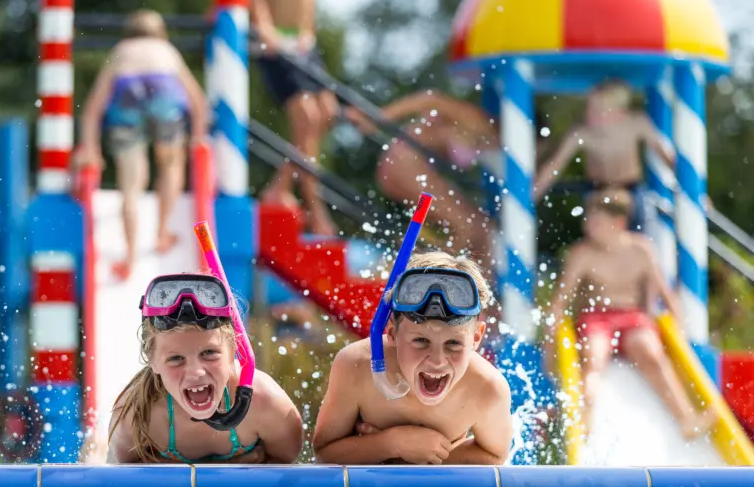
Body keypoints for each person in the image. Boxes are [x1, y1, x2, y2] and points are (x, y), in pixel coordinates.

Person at [543, 188, 715, 440]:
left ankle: (686, 419)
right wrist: (550, 335)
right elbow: (561, 300)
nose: (588, 226)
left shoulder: (641, 249)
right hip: (596, 318)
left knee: (651, 353)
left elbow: (666, 294)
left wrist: (679, 335)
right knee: (593, 358)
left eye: (597, 222)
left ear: (619, 223)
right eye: (588, 219)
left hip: (632, 318)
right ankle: (584, 421)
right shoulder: (583, 254)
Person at [312, 251, 513, 465]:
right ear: (392, 333)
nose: (437, 361)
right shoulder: (357, 366)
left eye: (453, 343)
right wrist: (392, 444)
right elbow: (324, 453)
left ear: (476, 337)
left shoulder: (487, 389)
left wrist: (417, 459)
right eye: (421, 341)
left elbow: (495, 456)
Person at [106, 273, 304, 463]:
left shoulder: (266, 404)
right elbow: (115, 481)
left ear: (234, 349)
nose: (196, 372)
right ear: (152, 361)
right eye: (176, 358)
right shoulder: (136, 417)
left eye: (209, 353)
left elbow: (290, 477)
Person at [75, 10, 210, 280]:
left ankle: (130, 256)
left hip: (127, 98)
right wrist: (198, 136)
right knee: (171, 167)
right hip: (164, 95)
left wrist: (90, 147)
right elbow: (198, 102)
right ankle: (162, 232)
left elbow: (92, 109)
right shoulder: (166, 50)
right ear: (160, 32)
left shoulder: (121, 51)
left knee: (131, 183)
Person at [346, 90, 552, 265]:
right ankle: (422, 272)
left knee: (483, 230)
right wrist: (378, 118)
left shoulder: (494, 145)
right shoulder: (476, 120)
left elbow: (531, 188)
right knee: (467, 228)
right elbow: (429, 99)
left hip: (415, 168)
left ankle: (480, 292)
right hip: (403, 163)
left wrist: (566, 149)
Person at [250, 0, 339, 237]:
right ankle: (316, 208)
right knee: (308, 118)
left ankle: (280, 185)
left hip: (303, 42)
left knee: (328, 111)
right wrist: (264, 27)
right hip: (275, 39)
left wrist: (308, 31)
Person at [533, 79, 676, 227]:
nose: (589, 114)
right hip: (597, 190)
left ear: (620, 112)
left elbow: (667, 157)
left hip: (630, 189)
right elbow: (553, 167)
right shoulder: (582, 132)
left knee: (638, 229)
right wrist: (532, 194)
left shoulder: (636, 124)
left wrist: (685, 185)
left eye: (598, 110)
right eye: (589, 107)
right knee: (599, 232)